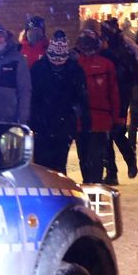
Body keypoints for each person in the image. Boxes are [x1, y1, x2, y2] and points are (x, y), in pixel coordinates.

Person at [29, 31, 89, 174]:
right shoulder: (39, 69)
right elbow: (32, 96)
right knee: (42, 166)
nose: (57, 63)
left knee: (59, 164)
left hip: (64, 124)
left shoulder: (74, 70)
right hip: (43, 124)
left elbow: (81, 97)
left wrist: (77, 115)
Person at [75, 29, 121, 184]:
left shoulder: (105, 64)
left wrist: (116, 117)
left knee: (94, 158)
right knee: (86, 158)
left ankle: (93, 187)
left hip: (98, 119)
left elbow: (113, 92)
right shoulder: (75, 64)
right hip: (83, 120)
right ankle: (90, 186)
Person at [100, 21, 138, 184]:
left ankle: (129, 159)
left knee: (116, 132)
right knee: (106, 135)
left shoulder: (122, 49)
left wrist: (137, 88)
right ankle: (111, 172)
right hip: (106, 95)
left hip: (121, 95)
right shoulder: (104, 49)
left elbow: (134, 72)